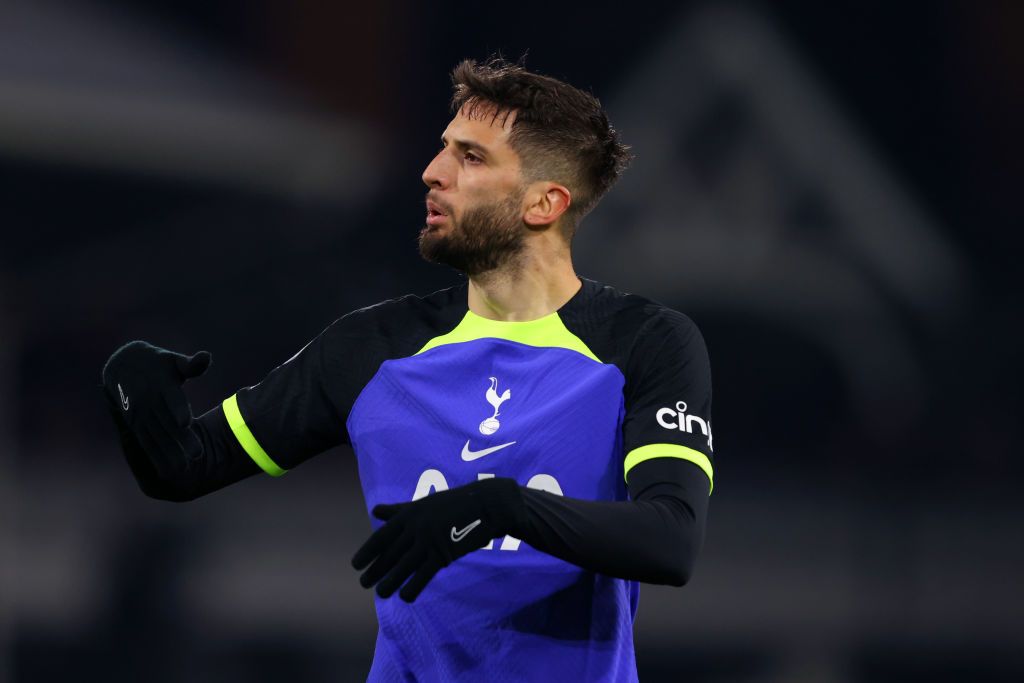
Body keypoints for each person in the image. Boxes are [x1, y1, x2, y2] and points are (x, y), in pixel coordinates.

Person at [101, 57, 715, 682]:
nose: (432, 172)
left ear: (544, 202)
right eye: (443, 149)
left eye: (471, 158)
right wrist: (134, 400)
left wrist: (507, 508)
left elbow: (670, 540)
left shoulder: (644, 343)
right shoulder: (372, 348)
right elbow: (182, 466)